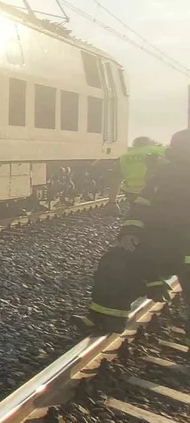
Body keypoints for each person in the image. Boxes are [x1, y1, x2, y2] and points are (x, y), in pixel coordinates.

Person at [78, 129, 190, 337]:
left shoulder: (168, 173)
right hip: (168, 246)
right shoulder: (166, 175)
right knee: (117, 261)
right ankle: (107, 318)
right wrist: (130, 231)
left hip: (182, 249)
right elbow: (142, 205)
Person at [107, 136, 166, 209]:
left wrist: (112, 202)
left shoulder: (124, 157)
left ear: (134, 145)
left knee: (138, 213)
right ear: (150, 143)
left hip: (132, 192)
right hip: (155, 190)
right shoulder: (158, 150)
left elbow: (115, 180)